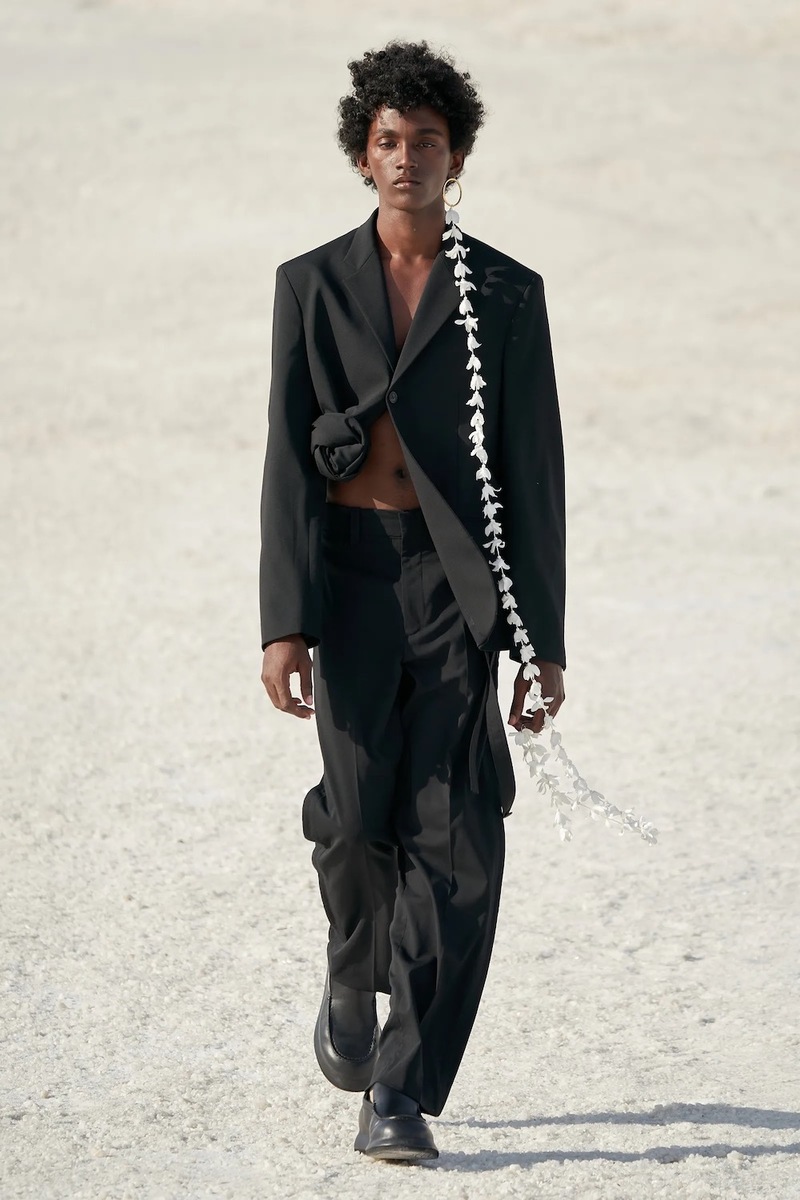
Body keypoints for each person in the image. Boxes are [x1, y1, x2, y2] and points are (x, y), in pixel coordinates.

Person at [259, 40, 566, 1163]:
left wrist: (540, 641)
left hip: (453, 590)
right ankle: (352, 969)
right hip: (346, 578)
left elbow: (531, 472)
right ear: (361, 155)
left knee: (456, 839)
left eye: (427, 141)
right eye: (388, 140)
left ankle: (398, 1090)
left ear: (457, 157)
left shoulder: (506, 294)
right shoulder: (310, 284)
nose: (406, 158)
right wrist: (283, 621)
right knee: (354, 822)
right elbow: (285, 461)